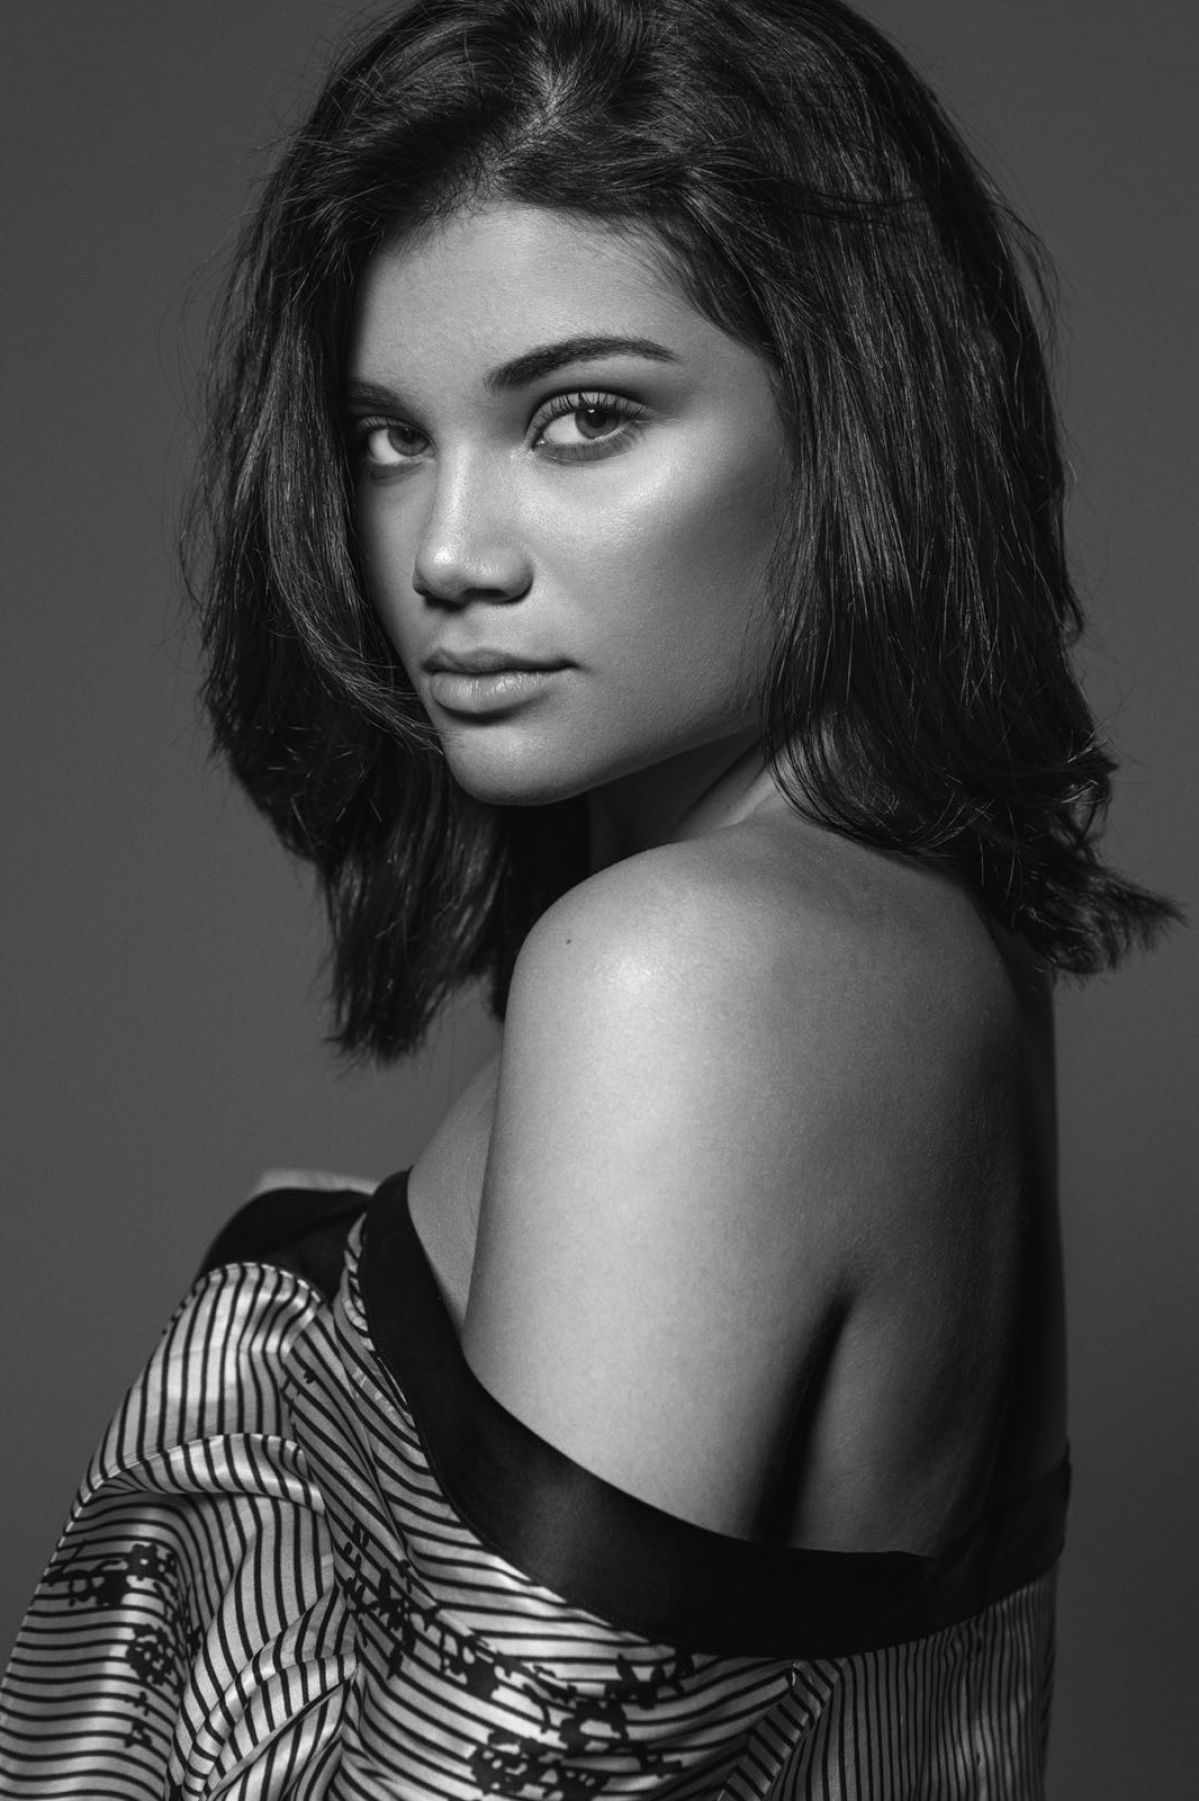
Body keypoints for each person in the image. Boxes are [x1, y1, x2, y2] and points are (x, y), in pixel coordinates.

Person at [0, 0, 1177, 1794]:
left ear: (851, 420)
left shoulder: (689, 976)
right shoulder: (919, 950)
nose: (447, 552)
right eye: (390, 436)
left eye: (581, 416)